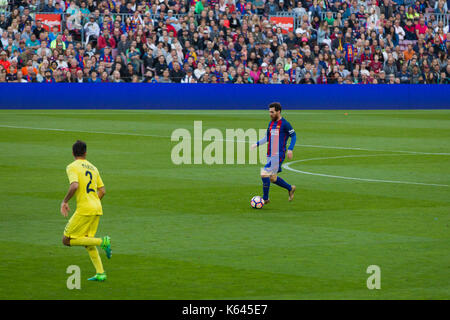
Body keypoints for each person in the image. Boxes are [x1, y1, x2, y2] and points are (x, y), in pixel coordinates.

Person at [61, 140, 111, 282]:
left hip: (85, 209)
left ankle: (103, 241)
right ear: (85, 152)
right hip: (97, 208)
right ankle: (101, 273)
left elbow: (74, 186)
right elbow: (102, 191)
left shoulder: (72, 166)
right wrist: (94, 202)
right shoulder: (94, 168)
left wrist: (64, 201)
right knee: (87, 241)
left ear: (72, 153)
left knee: (66, 240)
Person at [251, 102, 297, 204]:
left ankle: (265, 198)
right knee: (272, 178)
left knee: (264, 173)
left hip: (278, 154)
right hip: (270, 154)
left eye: (272, 112)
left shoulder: (285, 124)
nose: (270, 114)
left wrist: (290, 149)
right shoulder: (271, 123)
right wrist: (257, 144)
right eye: (269, 112)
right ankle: (290, 188)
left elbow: (294, 136)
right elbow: (267, 137)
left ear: (278, 111)